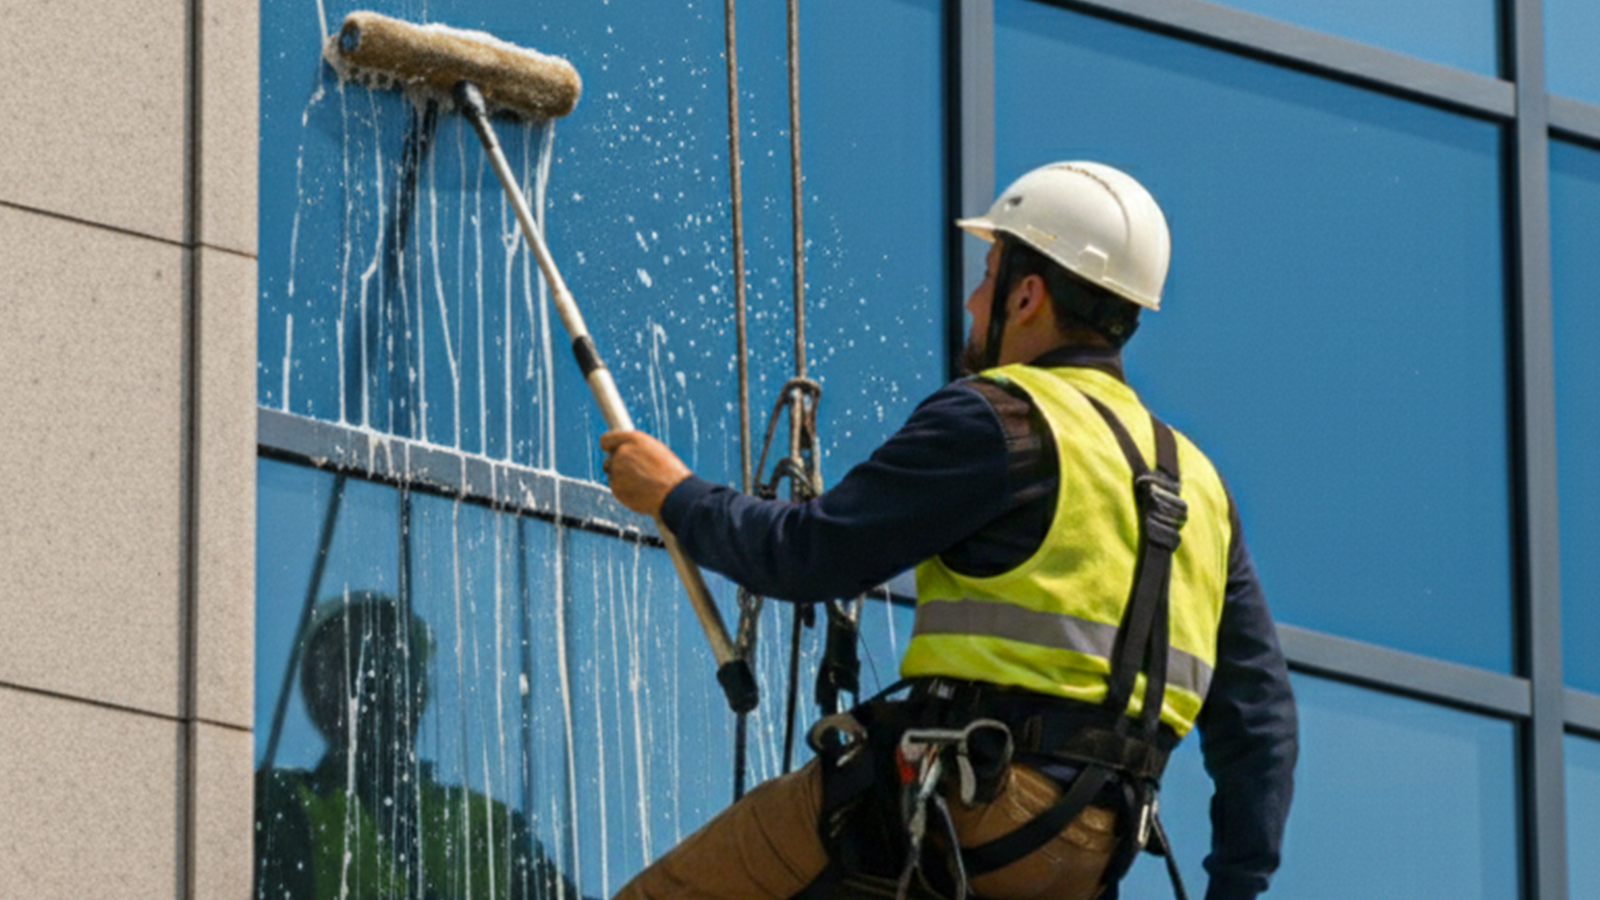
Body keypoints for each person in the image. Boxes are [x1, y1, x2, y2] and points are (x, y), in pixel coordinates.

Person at [599, 162, 1297, 900]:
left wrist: (674, 495)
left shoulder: (1002, 418)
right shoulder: (1199, 487)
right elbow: (1259, 726)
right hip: (1091, 855)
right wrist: (1235, 889)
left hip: (971, 806)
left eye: (989, 275)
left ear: (1027, 297)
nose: (971, 300)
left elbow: (808, 555)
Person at [254, 591, 581, 900]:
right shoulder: (282, 803)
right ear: (321, 698)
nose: (377, 677)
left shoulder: (485, 826)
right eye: (352, 661)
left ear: (420, 694)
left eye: (394, 659)